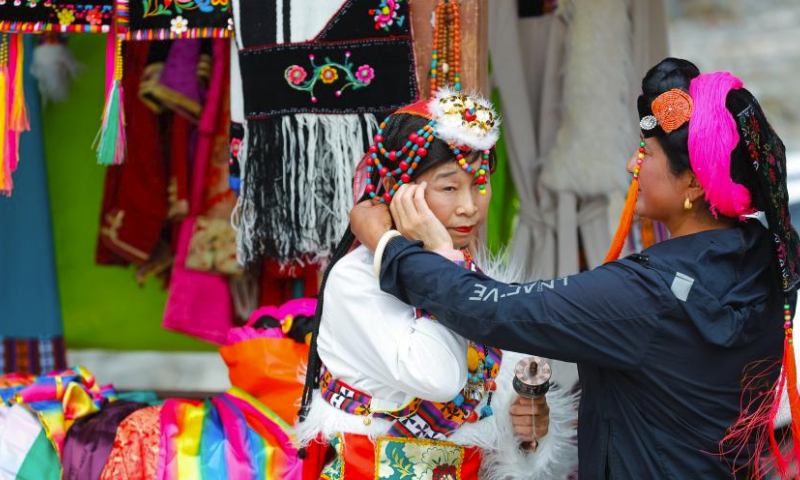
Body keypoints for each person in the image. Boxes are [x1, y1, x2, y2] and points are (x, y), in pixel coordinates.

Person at [350, 58, 800, 479]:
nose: (631, 165)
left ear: (695, 184)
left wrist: (391, 246)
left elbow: (493, 311)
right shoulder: (760, 255)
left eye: (647, 154)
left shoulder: (650, 294)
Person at [294, 90, 578, 480]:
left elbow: (485, 416)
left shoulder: (469, 276)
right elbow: (440, 379)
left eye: (479, 182)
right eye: (448, 187)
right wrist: (441, 256)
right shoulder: (356, 281)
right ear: (399, 189)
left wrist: (529, 430)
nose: (470, 206)